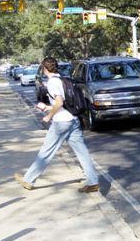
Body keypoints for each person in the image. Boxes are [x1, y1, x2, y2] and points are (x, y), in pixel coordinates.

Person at [15, 56, 99, 193]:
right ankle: (93, 182)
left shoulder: (52, 83)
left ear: (44, 68)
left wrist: (49, 116)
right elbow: (62, 103)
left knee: (46, 151)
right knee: (82, 152)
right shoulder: (63, 80)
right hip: (73, 120)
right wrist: (47, 107)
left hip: (61, 122)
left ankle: (28, 180)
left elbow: (59, 102)